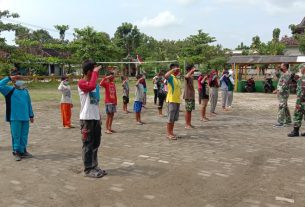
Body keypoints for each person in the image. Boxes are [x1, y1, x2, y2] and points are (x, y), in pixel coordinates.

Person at [78, 60, 106, 178]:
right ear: (89, 71)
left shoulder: (93, 83)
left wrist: (98, 117)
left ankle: (94, 166)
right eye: (94, 71)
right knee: (88, 144)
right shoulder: (82, 83)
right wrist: (95, 73)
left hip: (94, 118)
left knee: (96, 143)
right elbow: (90, 86)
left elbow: (95, 103)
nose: (97, 73)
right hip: (86, 119)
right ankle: (88, 169)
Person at [0, 75, 34, 161]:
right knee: (16, 135)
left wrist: (31, 115)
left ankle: (23, 151)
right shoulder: (9, 90)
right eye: (18, 79)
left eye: (21, 79)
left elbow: (28, 103)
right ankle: (16, 152)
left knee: (24, 135)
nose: (20, 81)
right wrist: (9, 77)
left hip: (25, 117)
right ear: (14, 81)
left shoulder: (25, 91)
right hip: (14, 117)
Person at [273, 63, 292, 128]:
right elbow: (277, 75)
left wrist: (278, 90)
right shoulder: (283, 73)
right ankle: (288, 120)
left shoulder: (287, 74)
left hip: (284, 92)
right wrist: (277, 69)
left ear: (285, 67)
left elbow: (284, 84)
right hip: (282, 92)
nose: (280, 66)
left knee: (281, 106)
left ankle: (280, 122)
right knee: (285, 106)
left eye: (281, 65)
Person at [288, 64, 305, 137]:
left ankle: (295, 131)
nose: (300, 70)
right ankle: (295, 131)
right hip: (299, 100)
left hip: (303, 100)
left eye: (301, 68)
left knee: (298, 114)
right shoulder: (300, 77)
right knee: (297, 115)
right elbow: (292, 80)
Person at [183, 64, 196, 129]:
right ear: (189, 69)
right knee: (188, 110)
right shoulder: (188, 75)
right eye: (193, 68)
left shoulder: (191, 76)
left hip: (191, 95)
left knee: (190, 110)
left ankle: (189, 123)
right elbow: (186, 76)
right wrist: (191, 71)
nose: (194, 69)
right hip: (188, 96)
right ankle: (187, 124)